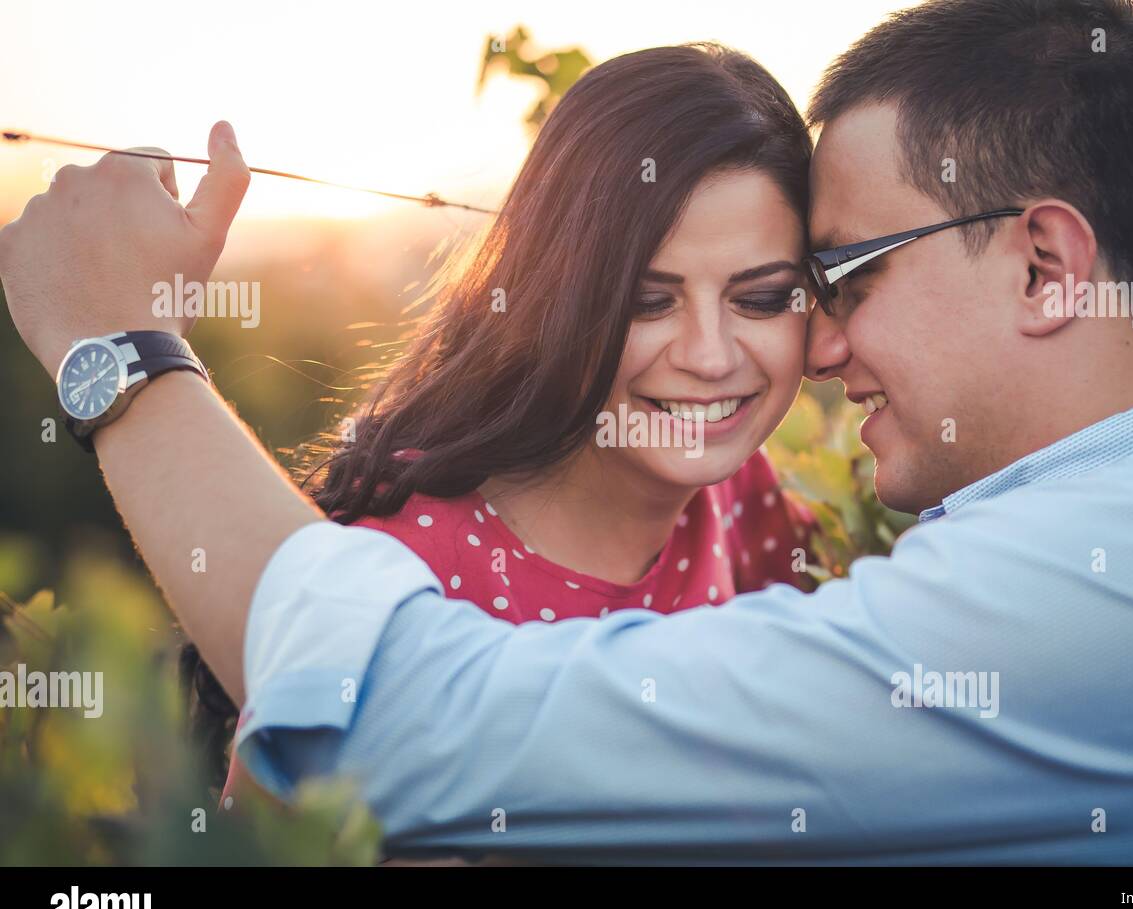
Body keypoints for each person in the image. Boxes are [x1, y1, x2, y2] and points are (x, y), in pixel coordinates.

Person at [2, 0, 1133, 864]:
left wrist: (116, 345)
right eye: (646, 296)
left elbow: (397, 721)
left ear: (1048, 267)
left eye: (828, 279)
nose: (818, 347)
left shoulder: (1115, 596)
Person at [215, 42, 817, 809]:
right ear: (554, 297)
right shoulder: (398, 569)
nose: (709, 357)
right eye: (645, 301)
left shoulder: (738, 490)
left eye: (761, 299)